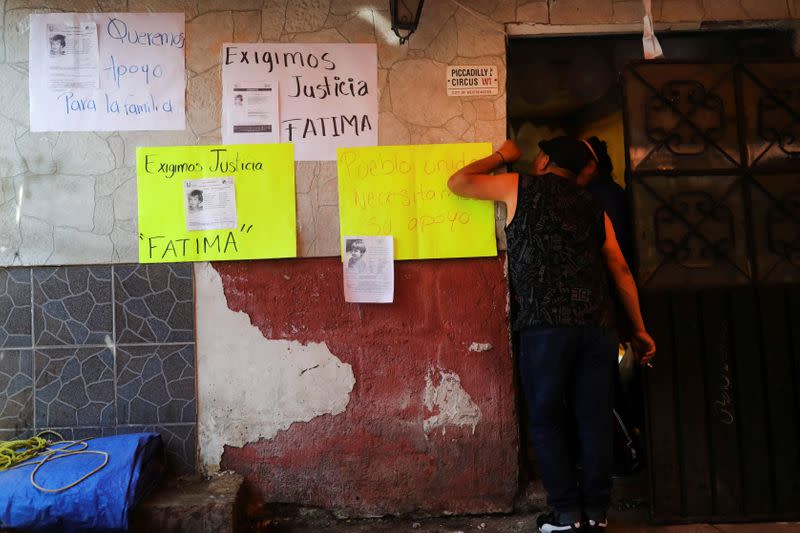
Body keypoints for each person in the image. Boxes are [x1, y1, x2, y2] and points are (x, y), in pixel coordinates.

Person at [448, 137, 655, 533]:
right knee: (593, 419)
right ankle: (596, 515)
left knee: (546, 420)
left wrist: (502, 157)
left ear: (543, 160)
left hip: (546, 328)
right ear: (581, 172)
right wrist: (640, 329)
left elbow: (458, 182)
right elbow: (621, 270)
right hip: (598, 328)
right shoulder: (593, 206)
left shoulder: (519, 185)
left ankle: (565, 516)